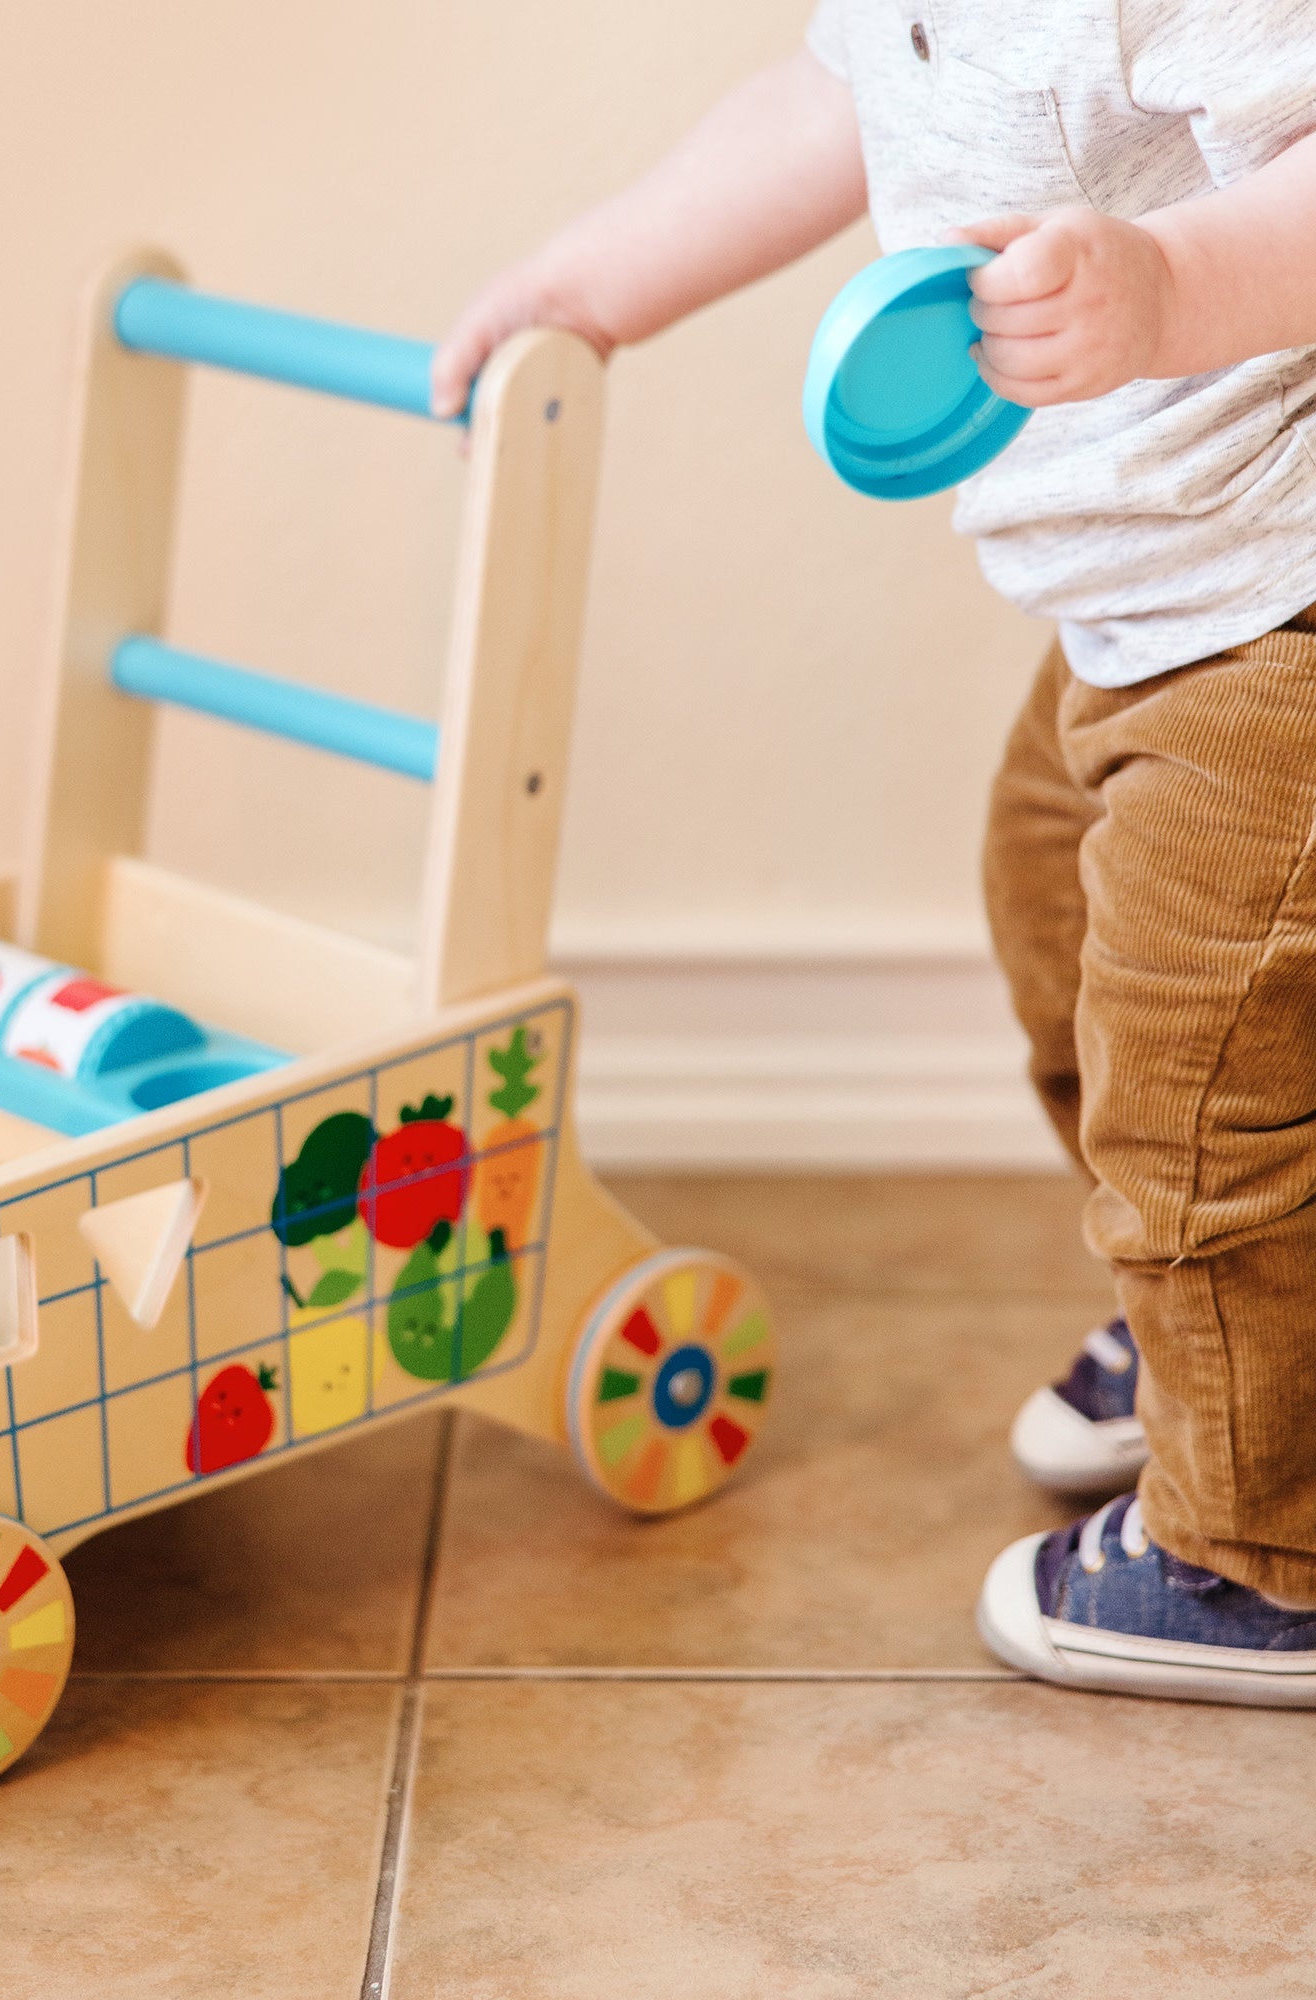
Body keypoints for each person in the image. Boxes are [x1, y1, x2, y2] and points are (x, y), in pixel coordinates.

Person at [433, 4, 1316, 1706]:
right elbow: (828, 99)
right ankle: (1248, 1344)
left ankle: (1264, 1550)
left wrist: (1167, 287)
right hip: (1142, 604)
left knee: (1194, 1084)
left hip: (1274, 599)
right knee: (1053, 901)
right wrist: (593, 282)